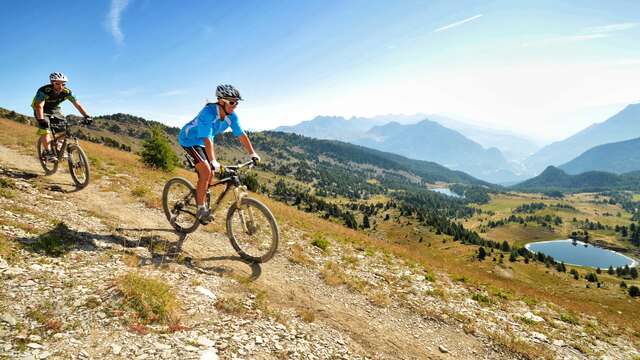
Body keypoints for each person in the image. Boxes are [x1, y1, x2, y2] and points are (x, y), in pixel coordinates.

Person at [178, 84, 261, 224]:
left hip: (203, 142)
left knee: (210, 173)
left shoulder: (231, 117)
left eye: (237, 103)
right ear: (221, 101)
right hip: (189, 140)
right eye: (232, 102)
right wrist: (214, 161)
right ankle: (200, 208)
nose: (235, 106)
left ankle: (202, 191)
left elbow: (242, 135)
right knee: (206, 170)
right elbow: (208, 138)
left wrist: (252, 153)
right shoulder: (208, 113)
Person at [31, 72, 92, 161]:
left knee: (65, 129)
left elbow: (77, 104)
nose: (61, 86)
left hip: (55, 109)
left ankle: (58, 146)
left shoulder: (66, 92)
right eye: (57, 84)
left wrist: (86, 116)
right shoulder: (44, 90)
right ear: (52, 82)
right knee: (45, 129)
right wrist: (41, 119)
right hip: (41, 109)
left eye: (63, 84)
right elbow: (39, 105)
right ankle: (48, 152)